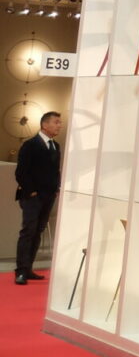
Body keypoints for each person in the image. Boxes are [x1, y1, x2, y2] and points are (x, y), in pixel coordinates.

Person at [14, 111, 62, 285]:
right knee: (28, 232)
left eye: (60, 122)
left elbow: (55, 171)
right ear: (44, 125)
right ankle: (20, 271)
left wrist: (57, 188)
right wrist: (32, 191)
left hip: (48, 196)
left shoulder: (56, 145)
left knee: (38, 232)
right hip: (32, 197)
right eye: (56, 122)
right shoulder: (30, 144)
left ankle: (28, 269)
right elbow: (21, 172)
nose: (59, 125)